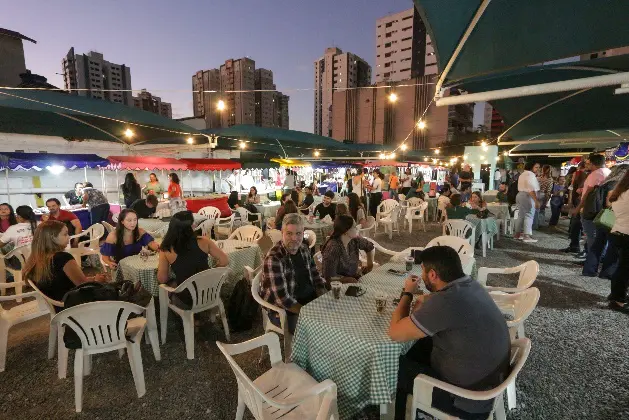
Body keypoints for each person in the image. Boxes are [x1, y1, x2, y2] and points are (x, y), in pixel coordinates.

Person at [388, 246, 510, 420]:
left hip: (465, 399)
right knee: (416, 345)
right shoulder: (470, 284)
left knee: (392, 366)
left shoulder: (445, 302)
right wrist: (427, 300)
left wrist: (407, 293)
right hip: (487, 381)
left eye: (423, 272)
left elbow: (395, 333)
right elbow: (444, 305)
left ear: (432, 275)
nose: (422, 277)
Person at [260, 213, 326, 334]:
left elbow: (316, 276)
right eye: (289, 233)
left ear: (303, 233)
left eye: (298, 233)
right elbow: (283, 300)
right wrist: (308, 312)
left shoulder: (304, 249)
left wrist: (324, 298)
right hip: (284, 310)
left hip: (308, 300)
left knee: (333, 319)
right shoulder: (274, 259)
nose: (294, 238)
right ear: (282, 233)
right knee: (316, 330)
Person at [23, 221, 108, 303]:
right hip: (73, 304)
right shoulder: (62, 258)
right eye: (65, 234)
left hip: (57, 303)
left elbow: (63, 281)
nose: (69, 237)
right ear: (53, 237)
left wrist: (93, 278)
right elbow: (83, 285)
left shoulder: (36, 259)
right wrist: (97, 280)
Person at [157, 211, 228, 308]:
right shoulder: (204, 241)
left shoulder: (166, 249)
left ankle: (186, 319)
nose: (195, 224)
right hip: (209, 293)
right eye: (193, 222)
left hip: (186, 300)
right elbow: (224, 260)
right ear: (190, 227)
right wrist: (211, 273)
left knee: (171, 286)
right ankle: (199, 317)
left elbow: (162, 279)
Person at [581, 163, 627, 277]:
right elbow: (609, 202)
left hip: (602, 217)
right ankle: (606, 273)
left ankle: (589, 270)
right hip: (611, 219)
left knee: (598, 245)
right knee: (612, 248)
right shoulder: (616, 185)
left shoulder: (606, 183)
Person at [574, 154, 611, 261]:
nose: (587, 165)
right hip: (601, 208)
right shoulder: (608, 172)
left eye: (588, 163)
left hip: (591, 208)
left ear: (593, 163)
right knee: (599, 235)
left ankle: (592, 260)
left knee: (591, 235)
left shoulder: (595, 174)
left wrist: (579, 207)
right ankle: (597, 258)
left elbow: (589, 193)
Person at [321, 215, 374, 282]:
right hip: (336, 286)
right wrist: (347, 280)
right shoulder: (333, 248)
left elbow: (369, 246)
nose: (357, 228)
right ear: (346, 231)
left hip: (354, 279)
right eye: (354, 227)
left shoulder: (354, 240)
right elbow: (329, 277)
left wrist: (370, 265)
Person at [607, 169, 629, 312]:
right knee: (624, 270)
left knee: (622, 268)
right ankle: (618, 299)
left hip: (618, 232)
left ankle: (616, 296)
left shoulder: (620, 192)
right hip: (626, 235)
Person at [562, 161, 589, 255]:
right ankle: (576, 246)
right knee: (578, 224)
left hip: (579, 201)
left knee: (577, 224)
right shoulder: (586, 174)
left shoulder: (579, 173)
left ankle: (575, 246)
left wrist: (570, 201)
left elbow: (572, 188)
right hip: (582, 202)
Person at [514, 162, 541, 243]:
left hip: (520, 195)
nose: (538, 169)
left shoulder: (523, 174)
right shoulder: (530, 175)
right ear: (531, 167)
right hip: (527, 196)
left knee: (521, 215)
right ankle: (527, 236)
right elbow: (531, 189)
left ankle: (517, 234)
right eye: (536, 167)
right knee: (529, 215)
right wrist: (536, 201)